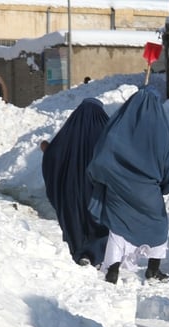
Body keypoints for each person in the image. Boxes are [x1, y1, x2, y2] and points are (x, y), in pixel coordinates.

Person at [88, 86, 169, 284]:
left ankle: (112, 270)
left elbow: (100, 159)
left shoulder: (117, 126)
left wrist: (107, 177)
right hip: (147, 192)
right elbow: (168, 163)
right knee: (158, 227)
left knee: (118, 228)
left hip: (118, 189)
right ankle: (153, 270)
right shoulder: (158, 130)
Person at [42, 98, 110, 267]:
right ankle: (98, 252)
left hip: (72, 187)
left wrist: (47, 149)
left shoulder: (70, 130)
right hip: (98, 188)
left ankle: (80, 252)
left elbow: (55, 154)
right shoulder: (107, 130)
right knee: (99, 219)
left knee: (75, 217)